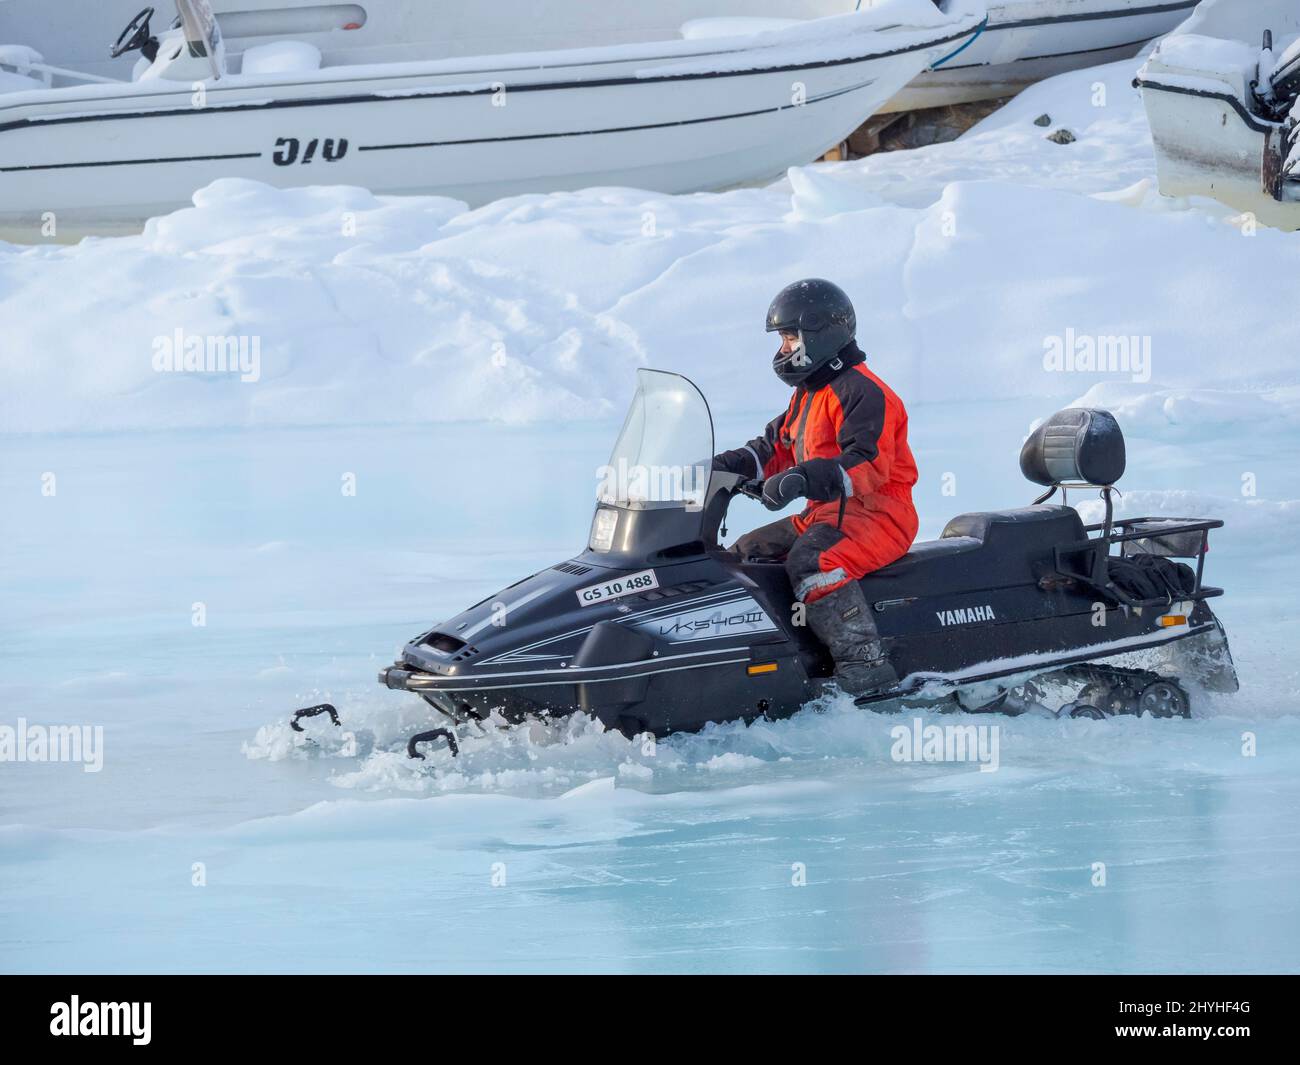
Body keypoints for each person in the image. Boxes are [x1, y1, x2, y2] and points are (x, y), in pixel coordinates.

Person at [712, 278, 918, 696]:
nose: (783, 350)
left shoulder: (864, 392)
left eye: (790, 338)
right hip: (826, 513)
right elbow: (775, 448)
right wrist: (714, 469)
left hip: (879, 513)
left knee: (814, 563)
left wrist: (803, 479)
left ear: (820, 335)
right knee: (744, 554)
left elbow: (868, 465)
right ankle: (774, 661)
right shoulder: (810, 394)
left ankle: (867, 670)